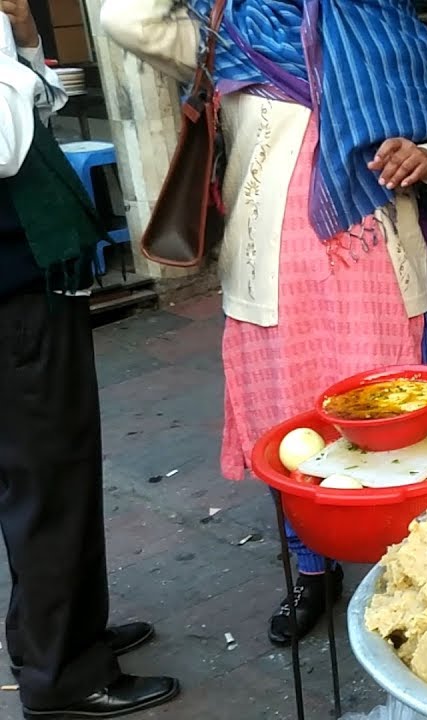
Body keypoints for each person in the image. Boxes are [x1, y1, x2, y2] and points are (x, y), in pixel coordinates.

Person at [102, 0, 427, 647]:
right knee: (290, 427)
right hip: (272, 278)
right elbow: (124, 18)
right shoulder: (227, 28)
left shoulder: (388, 25)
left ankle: (412, 562)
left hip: (378, 276)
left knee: (401, 429)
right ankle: (310, 569)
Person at [0, 2, 180, 717]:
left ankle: (72, 635)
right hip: (12, 294)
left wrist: (27, 41)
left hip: (29, 280)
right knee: (44, 481)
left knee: (58, 469)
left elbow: (41, 101)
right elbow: (7, 142)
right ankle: (61, 674)